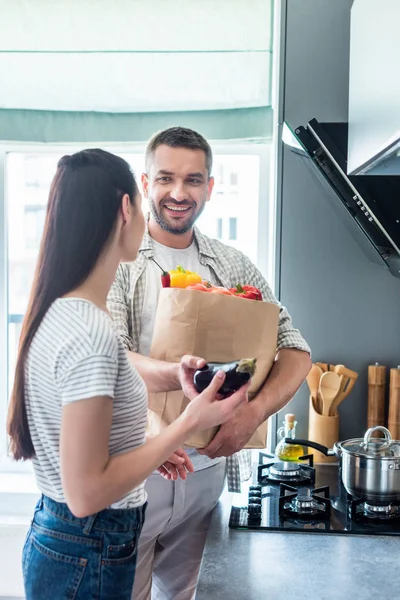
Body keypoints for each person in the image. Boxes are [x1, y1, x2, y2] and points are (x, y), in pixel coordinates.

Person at [6, 149, 250, 600]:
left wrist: (141, 447)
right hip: (91, 545)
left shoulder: (58, 313)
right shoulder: (91, 332)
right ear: (126, 209)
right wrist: (187, 424)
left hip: (68, 541)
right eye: (140, 199)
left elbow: (82, 454)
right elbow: (87, 492)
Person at [107, 127, 312, 600]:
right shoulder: (119, 261)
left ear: (210, 187)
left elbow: (296, 349)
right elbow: (113, 358)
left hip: (207, 474)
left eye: (193, 180)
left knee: (190, 595)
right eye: (165, 179)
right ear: (144, 183)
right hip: (136, 471)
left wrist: (252, 414)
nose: (179, 193)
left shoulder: (231, 265)